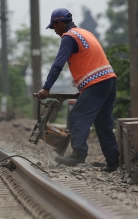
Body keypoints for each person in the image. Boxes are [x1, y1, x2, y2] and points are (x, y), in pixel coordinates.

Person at [36, 8, 119, 172]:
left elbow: (58, 65)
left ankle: (78, 154)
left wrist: (46, 88)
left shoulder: (69, 37)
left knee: (77, 115)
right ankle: (113, 162)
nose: (55, 31)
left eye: (54, 27)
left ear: (59, 23)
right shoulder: (85, 33)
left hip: (96, 83)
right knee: (103, 123)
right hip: (109, 80)